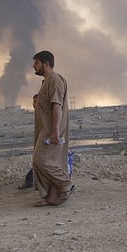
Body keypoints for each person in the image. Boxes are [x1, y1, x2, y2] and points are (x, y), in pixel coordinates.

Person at [31, 50, 75, 206]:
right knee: (49, 160)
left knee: (40, 159)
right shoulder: (46, 82)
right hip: (46, 128)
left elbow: (57, 105)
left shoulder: (55, 80)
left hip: (51, 129)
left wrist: (55, 130)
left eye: (36, 63)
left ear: (46, 64)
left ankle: (65, 184)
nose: (34, 66)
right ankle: (52, 196)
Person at [18, 94, 38, 190]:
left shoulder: (45, 114)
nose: (33, 105)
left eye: (35, 102)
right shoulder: (38, 114)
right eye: (33, 102)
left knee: (40, 164)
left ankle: (30, 182)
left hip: (46, 143)